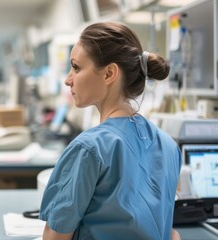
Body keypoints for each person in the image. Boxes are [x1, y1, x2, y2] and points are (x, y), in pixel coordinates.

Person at [39, 22, 182, 240]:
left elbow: (55, 237)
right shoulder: (169, 146)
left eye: (76, 67)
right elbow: (170, 234)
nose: (68, 79)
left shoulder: (88, 149)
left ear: (108, 74)